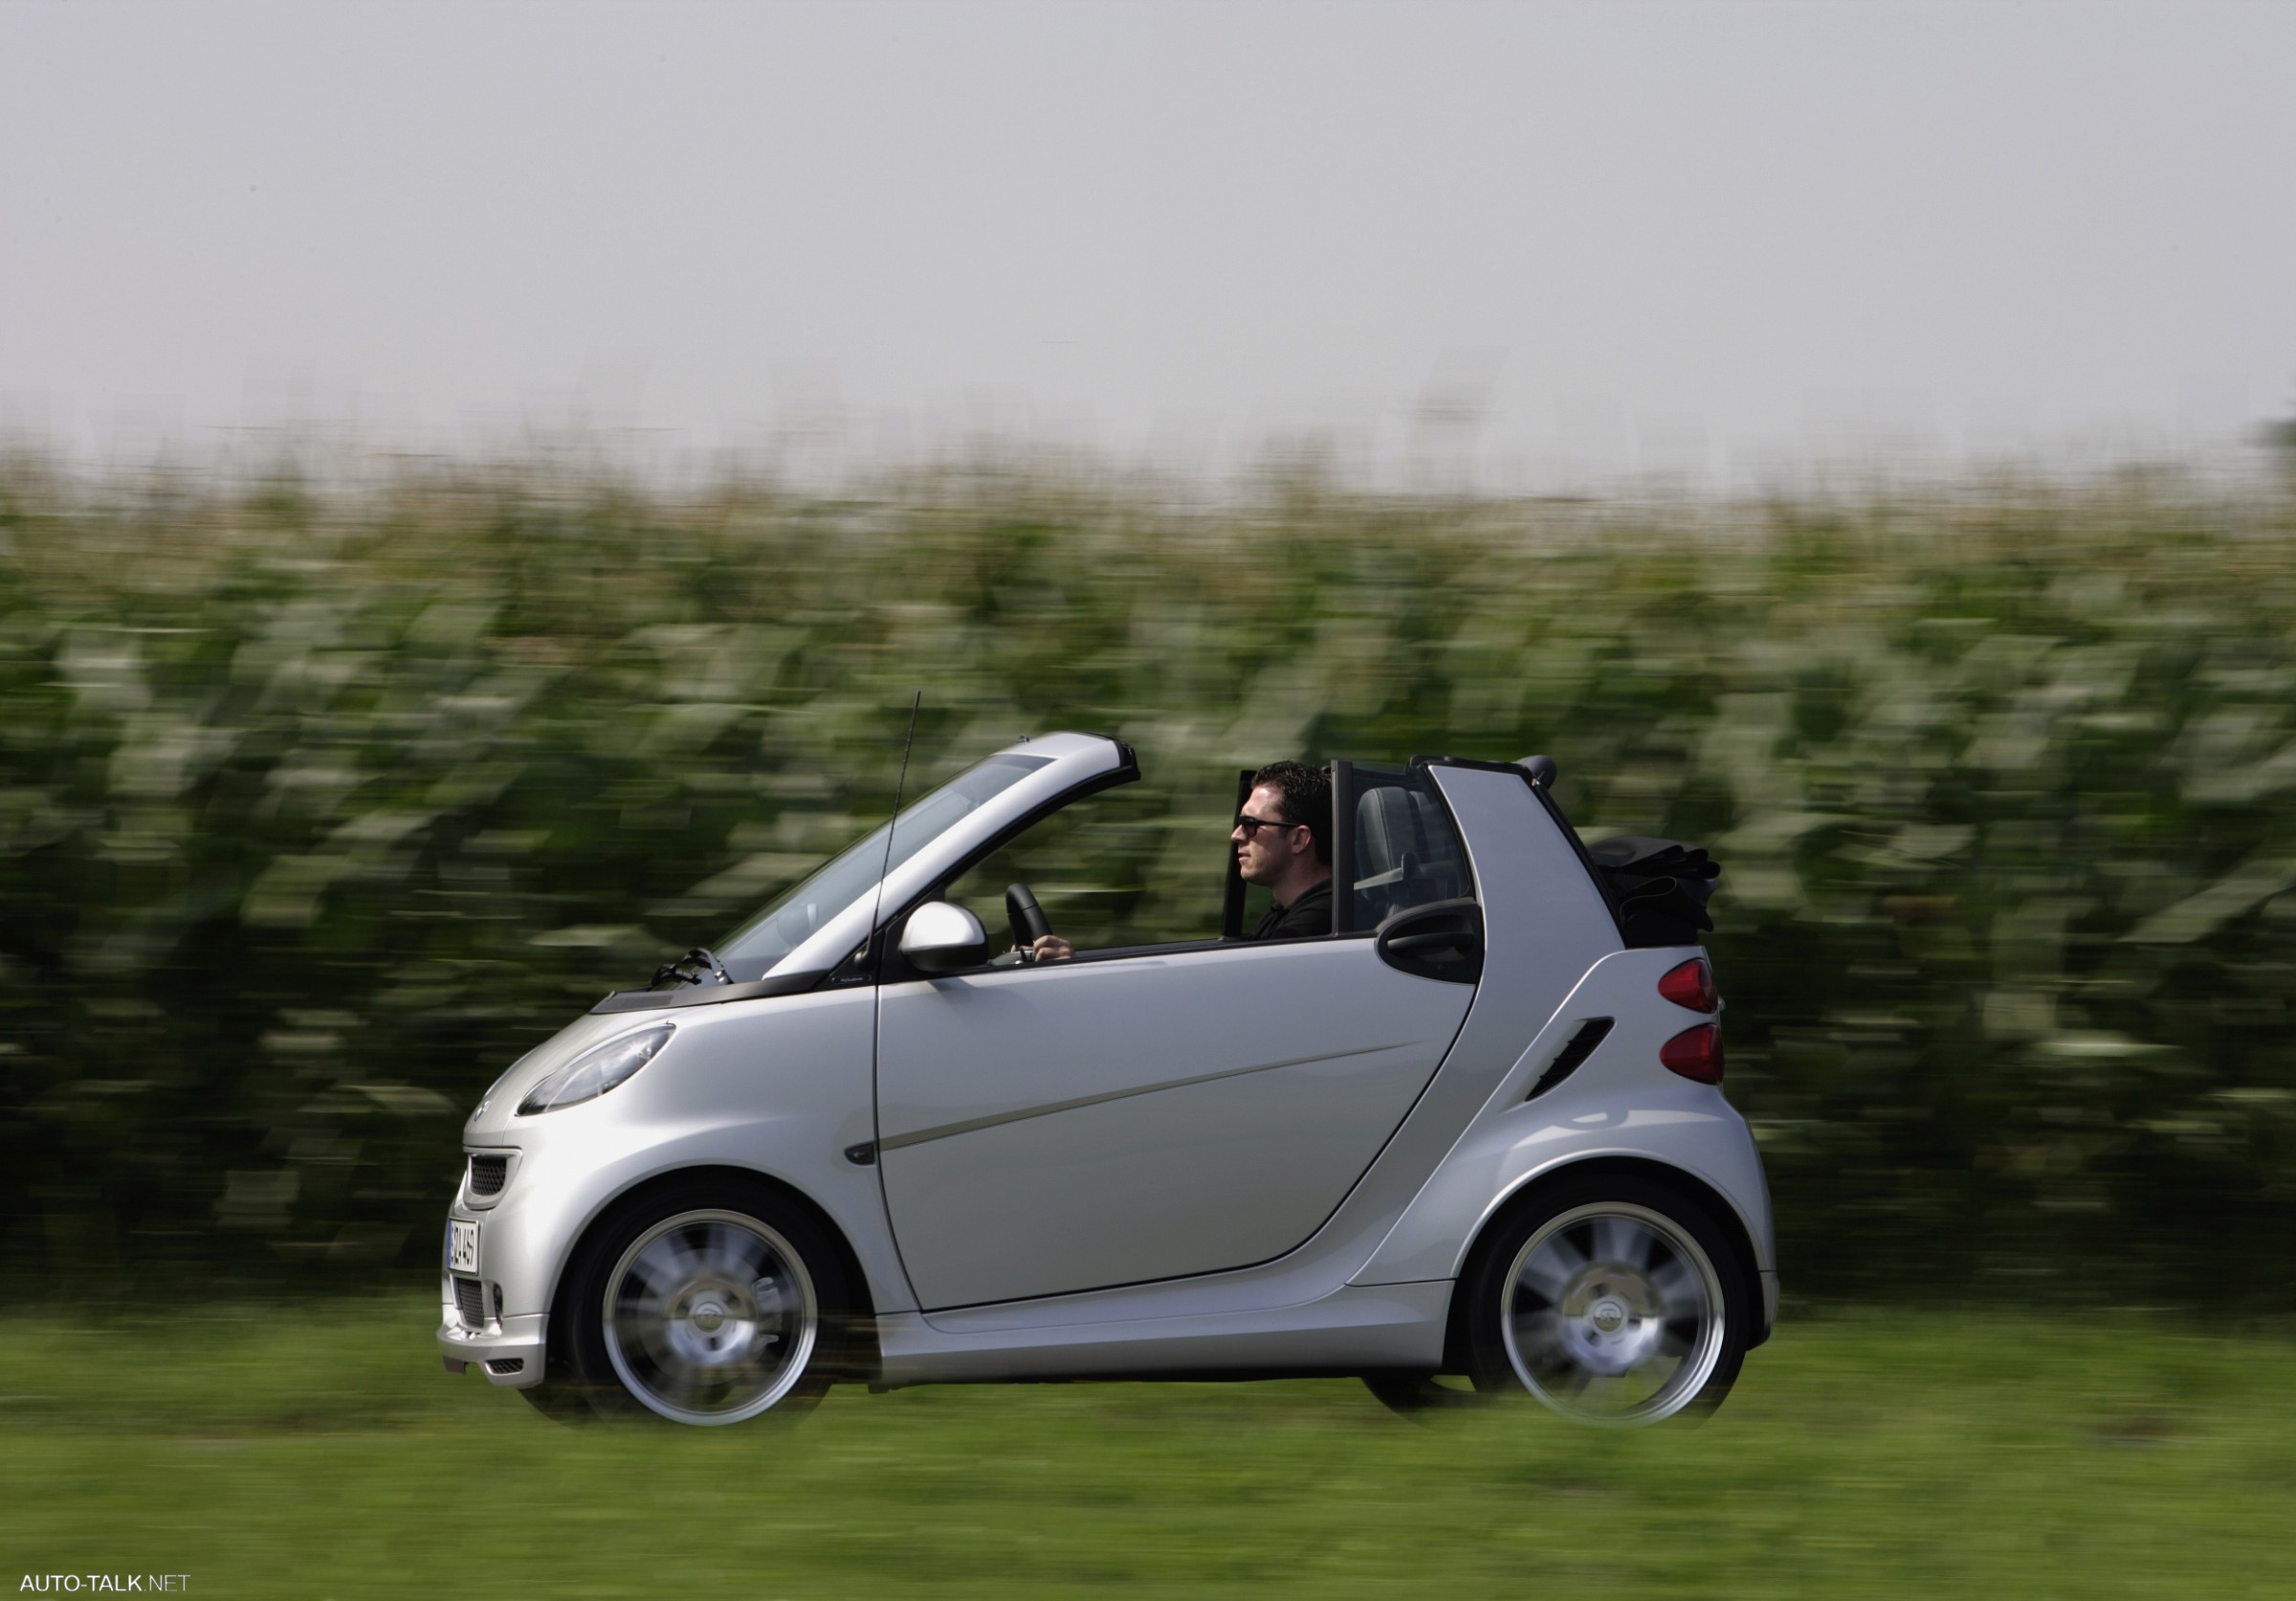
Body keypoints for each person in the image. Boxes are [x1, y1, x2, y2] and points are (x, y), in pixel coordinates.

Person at [1023, 758, 1335, 962]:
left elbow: (1244, 984)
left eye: (1251, 824)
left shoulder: (1318, 921)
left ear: (1299, 839)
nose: (1237, 835)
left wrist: (1074, 968)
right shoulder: (1287, 914)